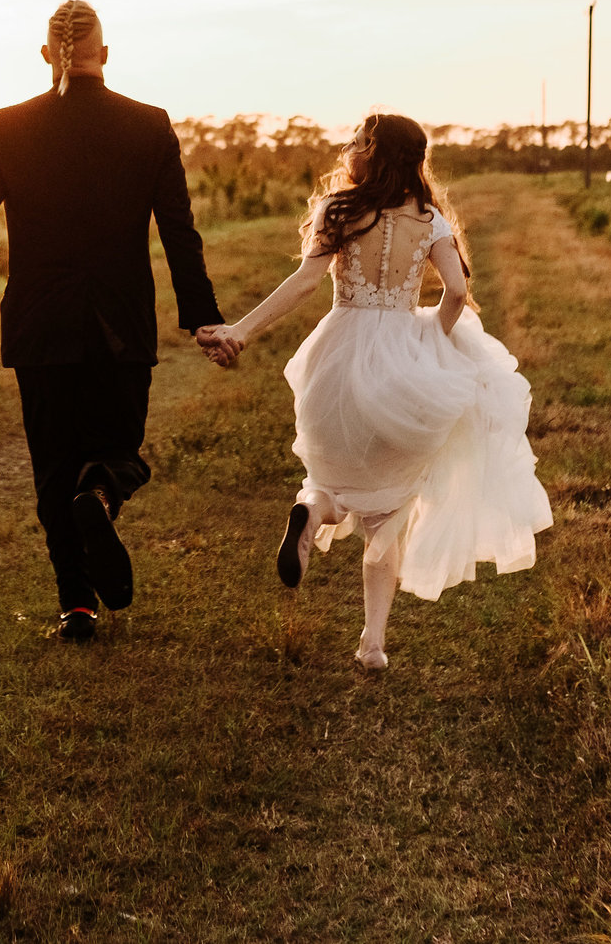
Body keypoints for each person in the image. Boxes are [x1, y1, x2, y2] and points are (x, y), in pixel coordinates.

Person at [195, 113, 551, 668]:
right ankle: (373, 644)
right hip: (402, 363)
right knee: (389, 510)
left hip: (335, 356)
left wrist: (239, 330)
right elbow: (456, 291)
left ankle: (311, 516)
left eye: (359, 141)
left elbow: (305, 282)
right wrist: (431, 338)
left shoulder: (338, 209)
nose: (350, 147)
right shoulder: (429, 219)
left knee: (328, 481)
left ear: (374, 153)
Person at [0, 0, 223, 643]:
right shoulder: (149, 127)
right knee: (118, 452)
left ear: (48, 56)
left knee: (51, 464)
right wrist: (201, 317)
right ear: (105, 52)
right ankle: (99, 497)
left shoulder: (9, 127)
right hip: (120, 324)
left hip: (40, 325)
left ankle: (76, 605)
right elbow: (179, 233)